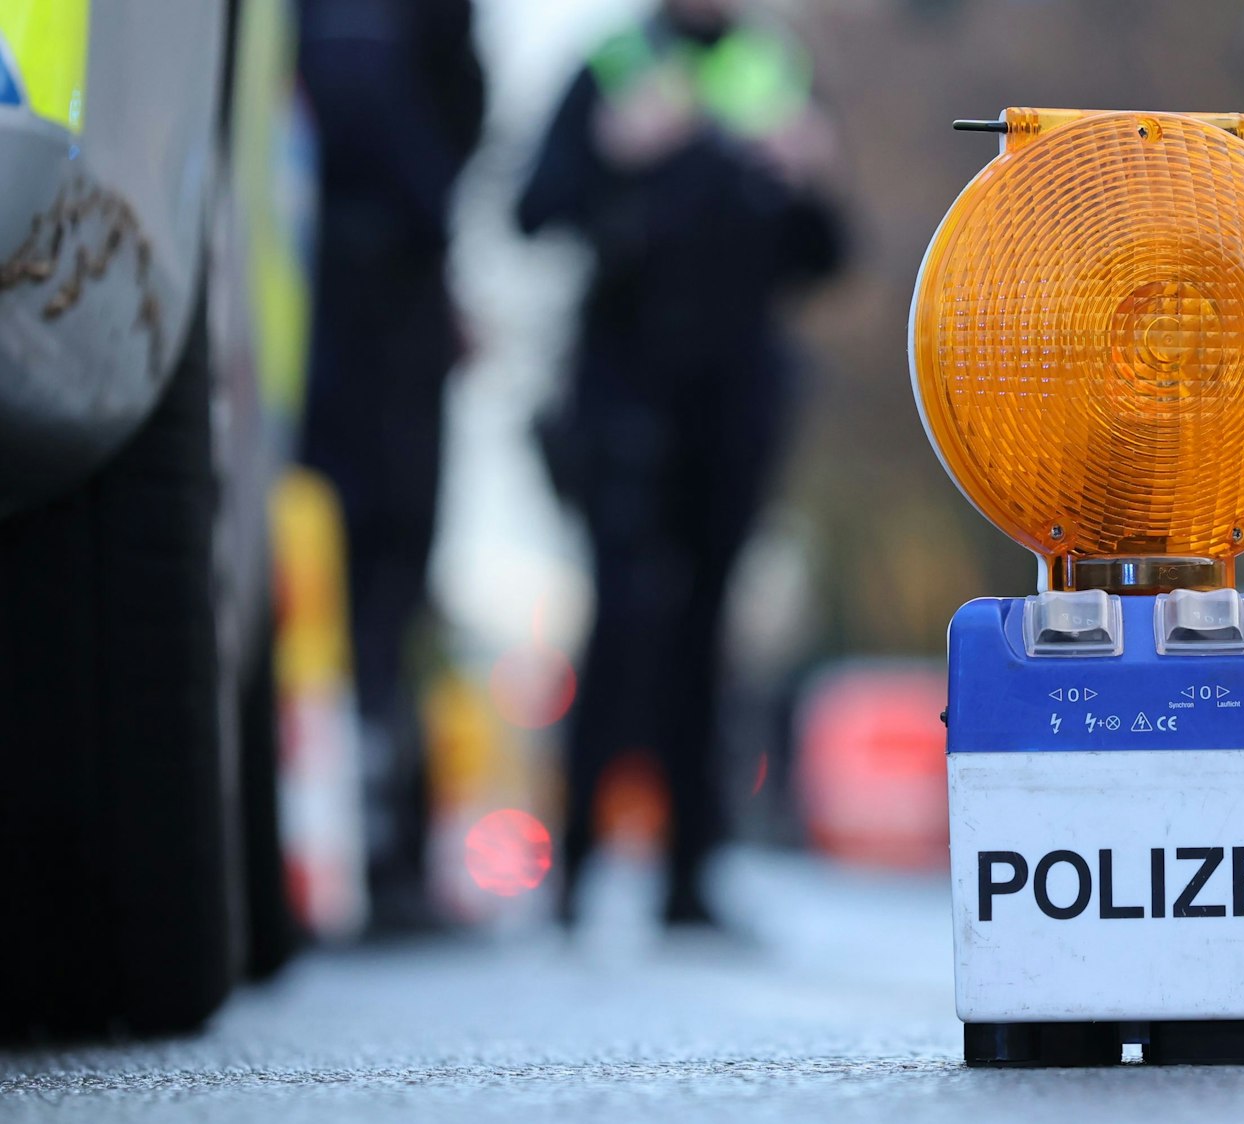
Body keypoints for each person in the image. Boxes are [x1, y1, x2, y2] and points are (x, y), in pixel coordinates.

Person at [516, 0, 844, 928]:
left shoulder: (778, 70)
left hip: (735, 398)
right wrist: (615, 157)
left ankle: (689, 878)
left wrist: (814, 176)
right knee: (624, 619)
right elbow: (534, 208)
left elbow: (826, 253)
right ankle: (575, 865)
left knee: (706, 627)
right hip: (624, 390)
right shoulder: (613, 65)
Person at [296, 0, 485, 932]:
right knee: (376, 590)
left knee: (354, 596)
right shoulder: (386, 28)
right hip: (366, 316)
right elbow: (440, 131)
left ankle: (360, 847)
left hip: (326, 302)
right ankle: (377, 856)